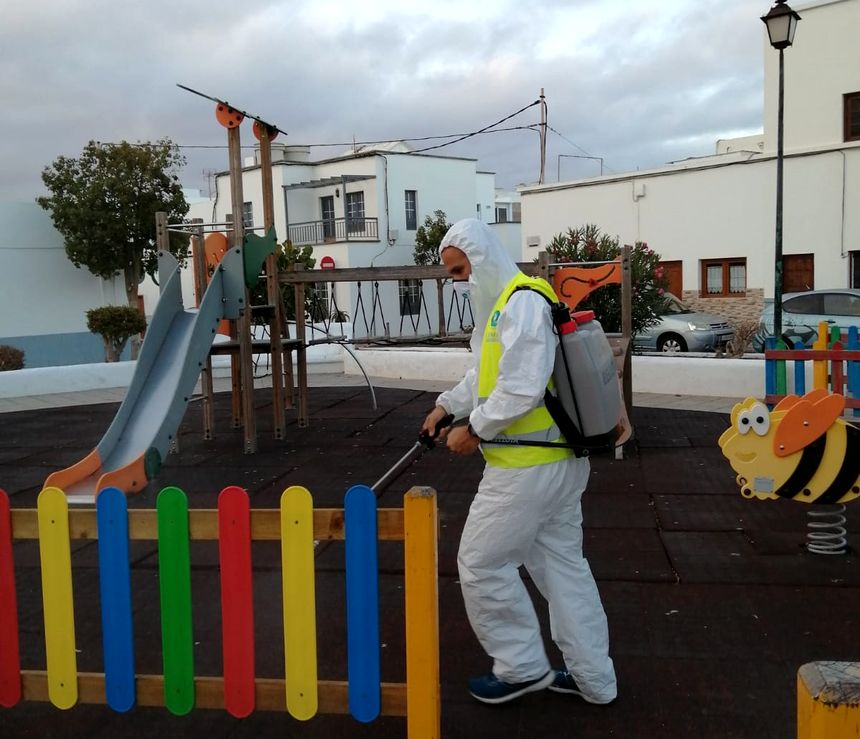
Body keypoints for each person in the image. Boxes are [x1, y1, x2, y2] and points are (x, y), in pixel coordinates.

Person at [421, 218, 617, 706]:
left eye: (461, 269)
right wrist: (448, 406)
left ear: (482, 257)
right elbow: (487, 375)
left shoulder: (521, 302)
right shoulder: (504, 309)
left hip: (526, 467)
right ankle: (596, 681)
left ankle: (521, 668)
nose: (459, 280)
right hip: (551, 464)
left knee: (481, 563)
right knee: (563, 569)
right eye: (451, 274)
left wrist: (476, 429)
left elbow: (522, 387)